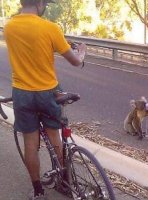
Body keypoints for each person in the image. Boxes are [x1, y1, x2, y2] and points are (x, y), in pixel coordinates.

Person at [4, 0, 86, 199]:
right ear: (40, 3)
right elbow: (75, 62)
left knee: (30, 144)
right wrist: (82, 51)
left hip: (22, 93)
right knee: (54, 136)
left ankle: (38, 191)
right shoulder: (51, 28)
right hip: (48, 92)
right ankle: (64, 181)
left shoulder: (9, 26)